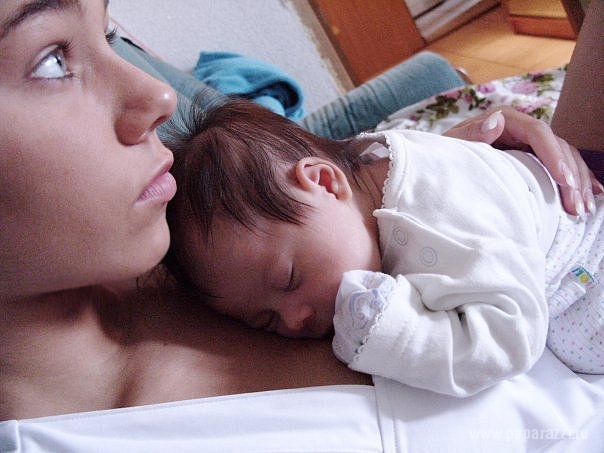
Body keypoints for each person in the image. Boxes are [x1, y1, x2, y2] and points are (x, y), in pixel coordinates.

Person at [0, 0, 601, 449]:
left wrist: (437, 170)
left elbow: (318, 186)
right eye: (51, 60)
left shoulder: (183, 231)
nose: (160, 97)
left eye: (107, 33)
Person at [164, 95, 603, 396]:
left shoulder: (441, 211)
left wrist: (387, 329)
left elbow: (508, 339)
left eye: (289, 279)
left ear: (323, 181)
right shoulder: (366, 174)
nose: (295, 320)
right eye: (266, 321)